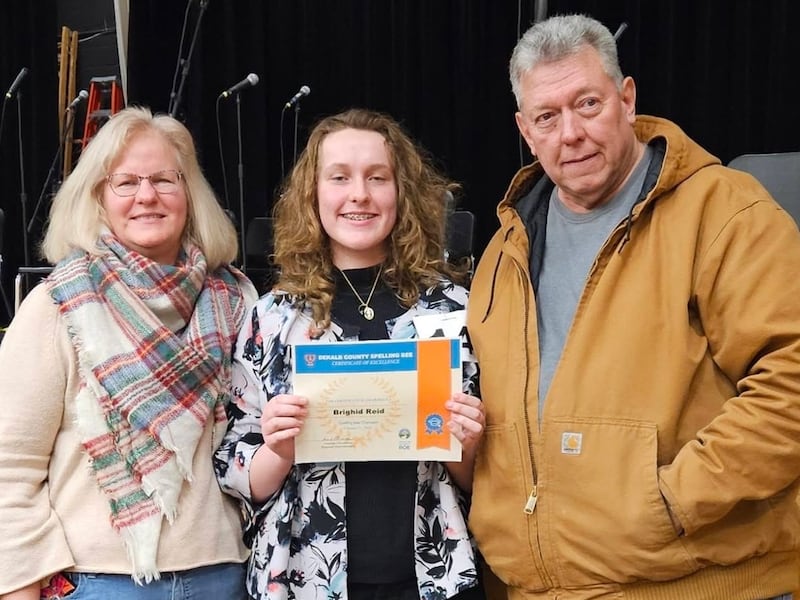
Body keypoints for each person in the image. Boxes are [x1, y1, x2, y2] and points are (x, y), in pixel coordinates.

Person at [466, 13, 800, 600]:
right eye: (548, 116)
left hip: (698, 583)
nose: (570, 132)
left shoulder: (725, 212)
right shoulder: (505, 247)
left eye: (587, 104)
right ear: (525, 129)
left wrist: (671, 501)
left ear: (626, 98)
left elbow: (791, 381)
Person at [214, 108, 486, 600]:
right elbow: (236, 470)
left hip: (433, 578)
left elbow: (482, 477)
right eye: (339, 177)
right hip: (303, 579)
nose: (358, 194)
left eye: (377, 178)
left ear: (401, 192)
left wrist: (466, 444)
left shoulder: (453, 312)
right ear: (313, 194)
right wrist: (278, 449)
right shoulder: (274, 318)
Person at [0, 106, 257, 599]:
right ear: (98, 198)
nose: (147, 196)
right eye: (126, 183)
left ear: (189, 195)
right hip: (100, 582)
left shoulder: (237, 300)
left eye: (164, 179)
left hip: (225, 575)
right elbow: (11, 469)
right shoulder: (58, 305)